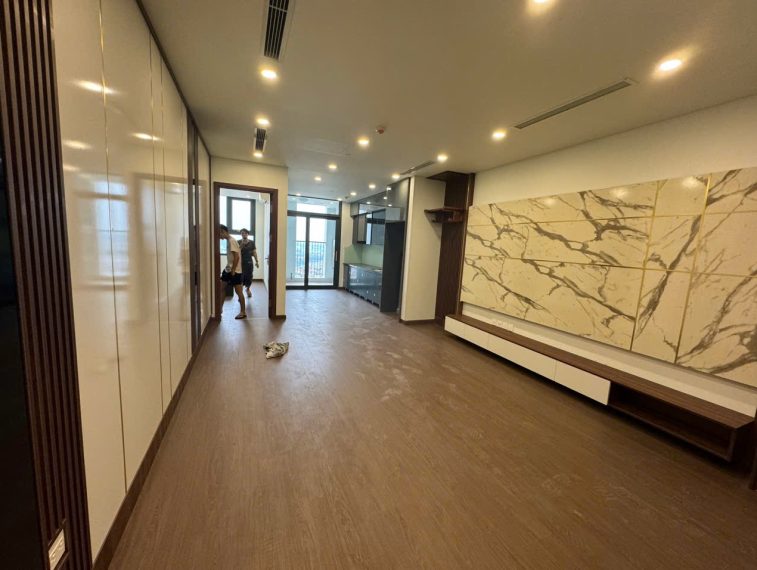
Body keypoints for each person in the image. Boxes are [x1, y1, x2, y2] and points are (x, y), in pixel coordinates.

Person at [219, 224, 246, 319]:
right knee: (222, 288)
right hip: (228, 269)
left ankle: (243, 312)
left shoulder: (232, 241)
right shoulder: (228, 240)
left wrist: (233, 270)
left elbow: (237, 257)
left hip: (235, 271)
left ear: (223, 231)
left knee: (239, 292)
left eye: (219, 234)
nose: (219, 237)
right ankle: (220, 309)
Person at [238, 228, 259, 298]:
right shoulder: (238, 242)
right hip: (240, 263)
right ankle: (240, 294)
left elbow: (254, 252)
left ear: (247, 234)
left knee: (249, 276)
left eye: (245, 233)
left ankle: (248, 289)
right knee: (241, 277)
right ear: (241, 234)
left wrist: (257, 261)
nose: (244, 234)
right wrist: (240, 246)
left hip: (249, 262)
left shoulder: (252, 242)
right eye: (242, 233)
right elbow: (236, 252)